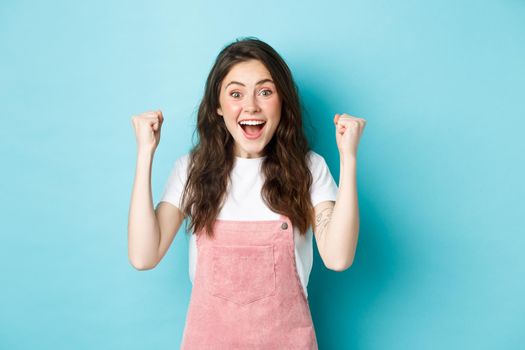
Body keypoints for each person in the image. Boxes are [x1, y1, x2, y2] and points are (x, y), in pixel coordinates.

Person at [128, 37, 366, 349]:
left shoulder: (309, 168)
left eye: (265, 92)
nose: (251, 106)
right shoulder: (191, 170)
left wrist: (348, 158)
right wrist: (145, 153)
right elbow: (143, 255)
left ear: (282, 100)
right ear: (218, 105)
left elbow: (338, 257)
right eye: (236, 93)